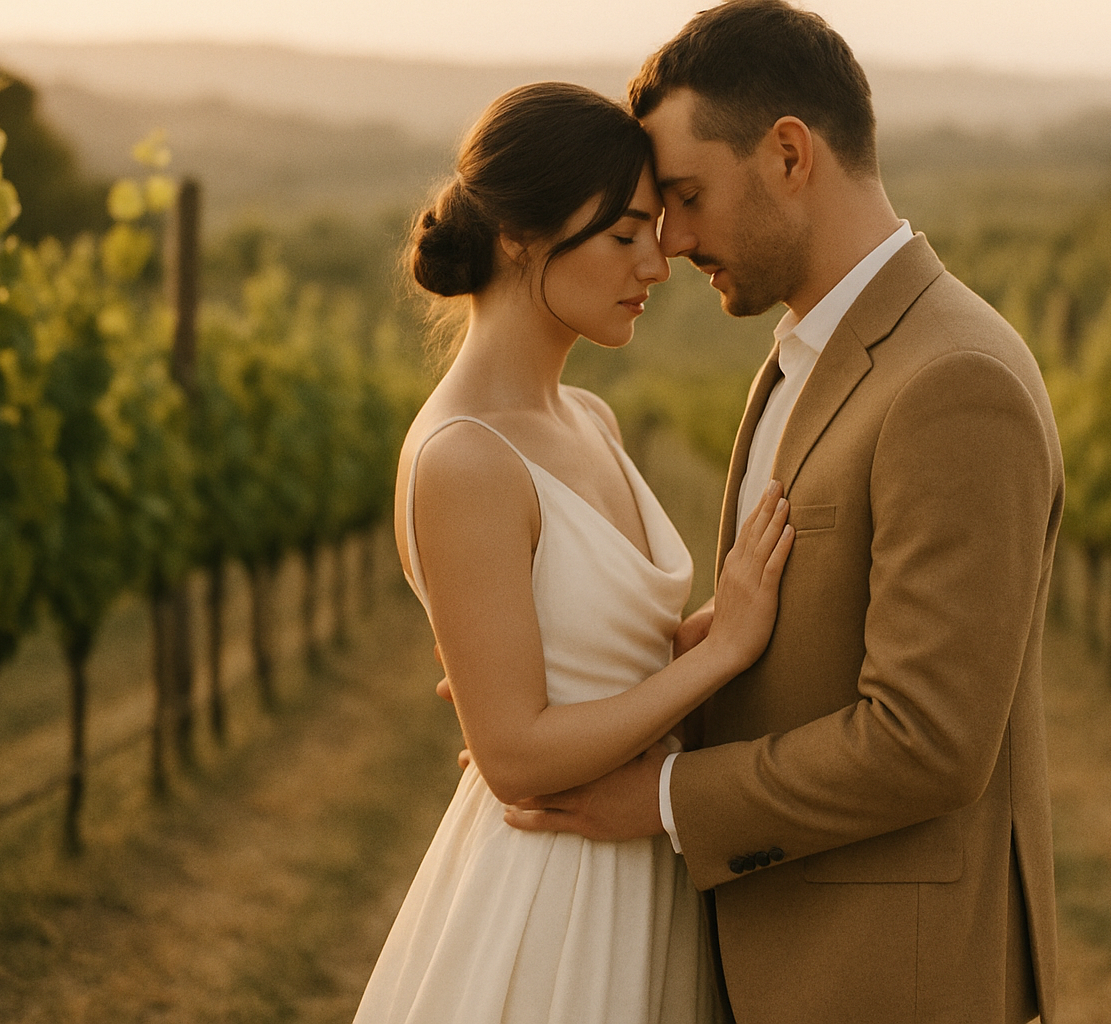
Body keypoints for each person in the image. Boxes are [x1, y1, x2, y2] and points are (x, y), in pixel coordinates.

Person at [497, 3, 1064, 1023]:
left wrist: (664, 800)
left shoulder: (954, 381)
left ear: (790, 155)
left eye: (686, 194)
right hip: (791, 960)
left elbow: (926, 740)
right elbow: (796, 649)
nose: (669, 239)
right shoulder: (811, 353)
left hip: (892, 981)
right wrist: (577, 678)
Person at [353, 81, 794, 1024]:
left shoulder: (586, 418)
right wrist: (721, 653)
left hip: (647, 862)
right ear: (521, 237)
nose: (659, 262)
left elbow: (601, 663)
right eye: (626, 234)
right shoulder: (466, 456)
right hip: (554, 890)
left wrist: (707, 631)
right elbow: (513, 755)